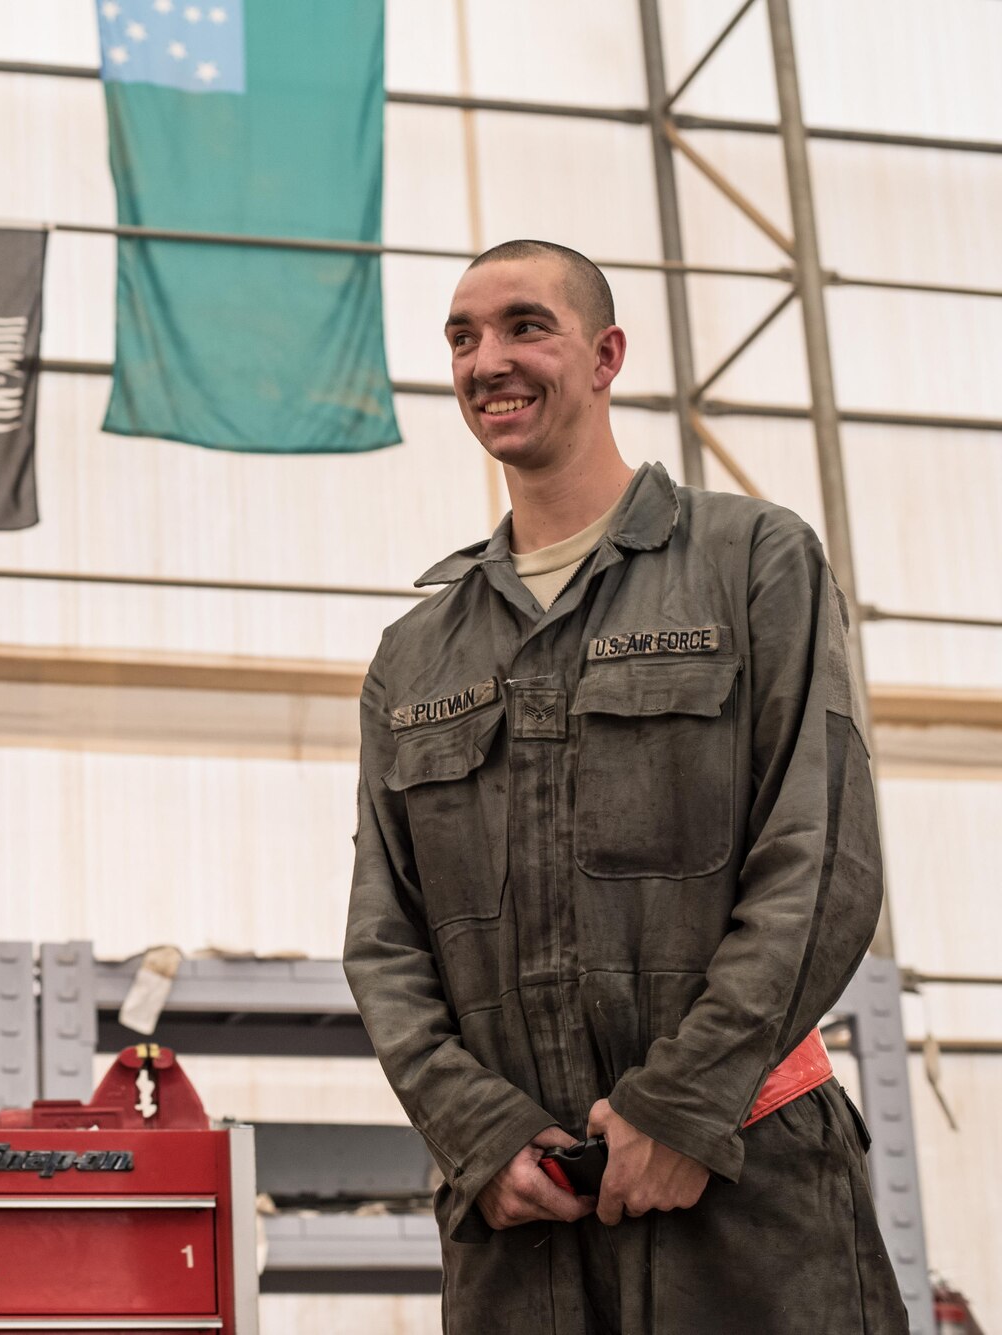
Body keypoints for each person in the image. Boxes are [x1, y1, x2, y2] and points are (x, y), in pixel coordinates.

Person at [342, 239, 907, 1334]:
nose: (484, 360)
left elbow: (818, 856)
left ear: (604, 355)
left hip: (744, 1195)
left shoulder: (750, 562)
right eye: (460, 337)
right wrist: (475, 1133)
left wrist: (682, 1103)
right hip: (522, 1222)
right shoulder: (414, 657)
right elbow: (383, 940)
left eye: (521, 326)